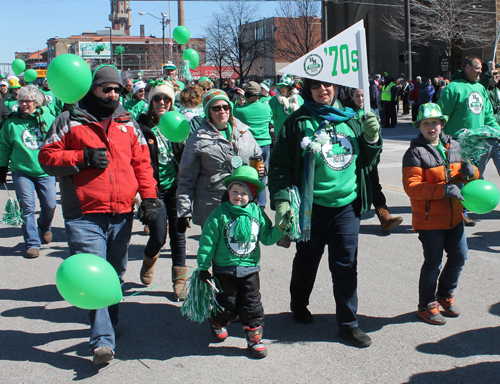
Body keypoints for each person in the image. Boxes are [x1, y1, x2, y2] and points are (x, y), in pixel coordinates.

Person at [39, 65, 159, 365]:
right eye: (107, 88)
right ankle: (102, 341)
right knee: (95, 274)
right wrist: (81, 158)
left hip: (121, 211)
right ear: (93, 88)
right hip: (84, 212)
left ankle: (109, 317)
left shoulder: (127, 121)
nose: (113, 94)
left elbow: (142, 164)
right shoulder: (69, 120)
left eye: (117, 89)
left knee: (116, 272)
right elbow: (47, 157)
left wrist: (149, 198)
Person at [268, 78, 382, 348]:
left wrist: (371, 137)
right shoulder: (297, 122)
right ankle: (298, 303)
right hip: (311, 207)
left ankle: (348, 324)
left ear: (336, 88)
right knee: (307, 259)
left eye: (327, 86)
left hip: (346, 206)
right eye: (316, 86)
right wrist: (282, 199)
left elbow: (368, 160)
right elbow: (280, 166)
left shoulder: (352, 118)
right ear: (308, 90)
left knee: (346, 265)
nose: (323, 90)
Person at [402, 103, 479, 325]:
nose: (431, 127)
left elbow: (471, 173)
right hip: (429, 220)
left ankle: (444, 294)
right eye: (426, 123)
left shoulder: (454, 146)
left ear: (442, 123)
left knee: (459, 256)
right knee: (433, 263)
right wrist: (443, 190)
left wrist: (472, 172)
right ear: (420, 126)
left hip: (455, 216)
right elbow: (412, 187)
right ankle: (426, 304)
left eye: (435, 122)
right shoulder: (415, 152)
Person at [197, 165, 283, 358]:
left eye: (244, 193)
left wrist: (281, 228)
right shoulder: (219, 214)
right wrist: (203, 267)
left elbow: (268, 237)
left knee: (252, 306)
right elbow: (207, 241)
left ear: (251, 195)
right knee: (228, 305)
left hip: (249, 268)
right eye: (235, 191)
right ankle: (217, 321)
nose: (238, 196)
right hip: (224, 269)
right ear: (228, 192)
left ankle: (254, 340)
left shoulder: (257, 213)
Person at [176, 89, 263, 230]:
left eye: (225, 107)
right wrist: (184, 212)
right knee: (214, 249)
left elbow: (258, 155)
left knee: (241, 248)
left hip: (242, 202)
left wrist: (262, 169)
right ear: (208, 112)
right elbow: (186, 178)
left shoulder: (243, 130)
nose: (222, 111)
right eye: (216, 108)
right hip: (212, 205)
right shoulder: (197, 139)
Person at [137, 81, 188, 301]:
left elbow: (188, 155)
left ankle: (180, 281)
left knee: (179, 234)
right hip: (153, 189)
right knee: (158, 237)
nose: (162, 103)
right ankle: (149, 259)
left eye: (166, 99)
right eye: (157, 99)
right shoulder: (141, 126)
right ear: (151, 101)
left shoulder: (178, 123)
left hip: (175, 188)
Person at [438, 56, 500, 226]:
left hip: (482, 143)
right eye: (478, 68)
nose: (481, 71)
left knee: (475, 177)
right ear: (467, 67)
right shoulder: (452, 89)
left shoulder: (481, 89)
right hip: (460, 145)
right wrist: (440, 140)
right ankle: (460, 212)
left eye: (481, 68)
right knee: (463, 178)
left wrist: (497, 131)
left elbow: (488, 116)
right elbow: (442, 116)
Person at [0, 84, 56, 259]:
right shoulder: (11, 122)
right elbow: (3, 147)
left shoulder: (47, 116)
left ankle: (44, 227)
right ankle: (32, 243)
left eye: (28, 101)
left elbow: (57, 139)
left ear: (37, 102)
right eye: (21, 101)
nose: (24, 104)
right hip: (21, 171)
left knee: (50, 205)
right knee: (27, 208)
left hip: (45, 170)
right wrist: (2, 168)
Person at [345, 88, 403, 232]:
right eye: (358, 95)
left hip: (370, 160)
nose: (361, 98)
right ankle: (349, 223)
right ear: (352, 96)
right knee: (355, 190)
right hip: (354, 161)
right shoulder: (346, 114)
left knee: (375, 187)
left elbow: (378, 134)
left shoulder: (371, 113)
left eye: (363, 96)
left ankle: (385, 218)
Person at [233, 81, 273, 209]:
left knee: (249, 176)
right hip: (266, 144)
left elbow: (233, 113)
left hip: (251, 147)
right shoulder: (267, 107)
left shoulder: (240, 111)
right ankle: (261, 206)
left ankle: (249, 203)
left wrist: (240, 99)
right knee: (262, 177)